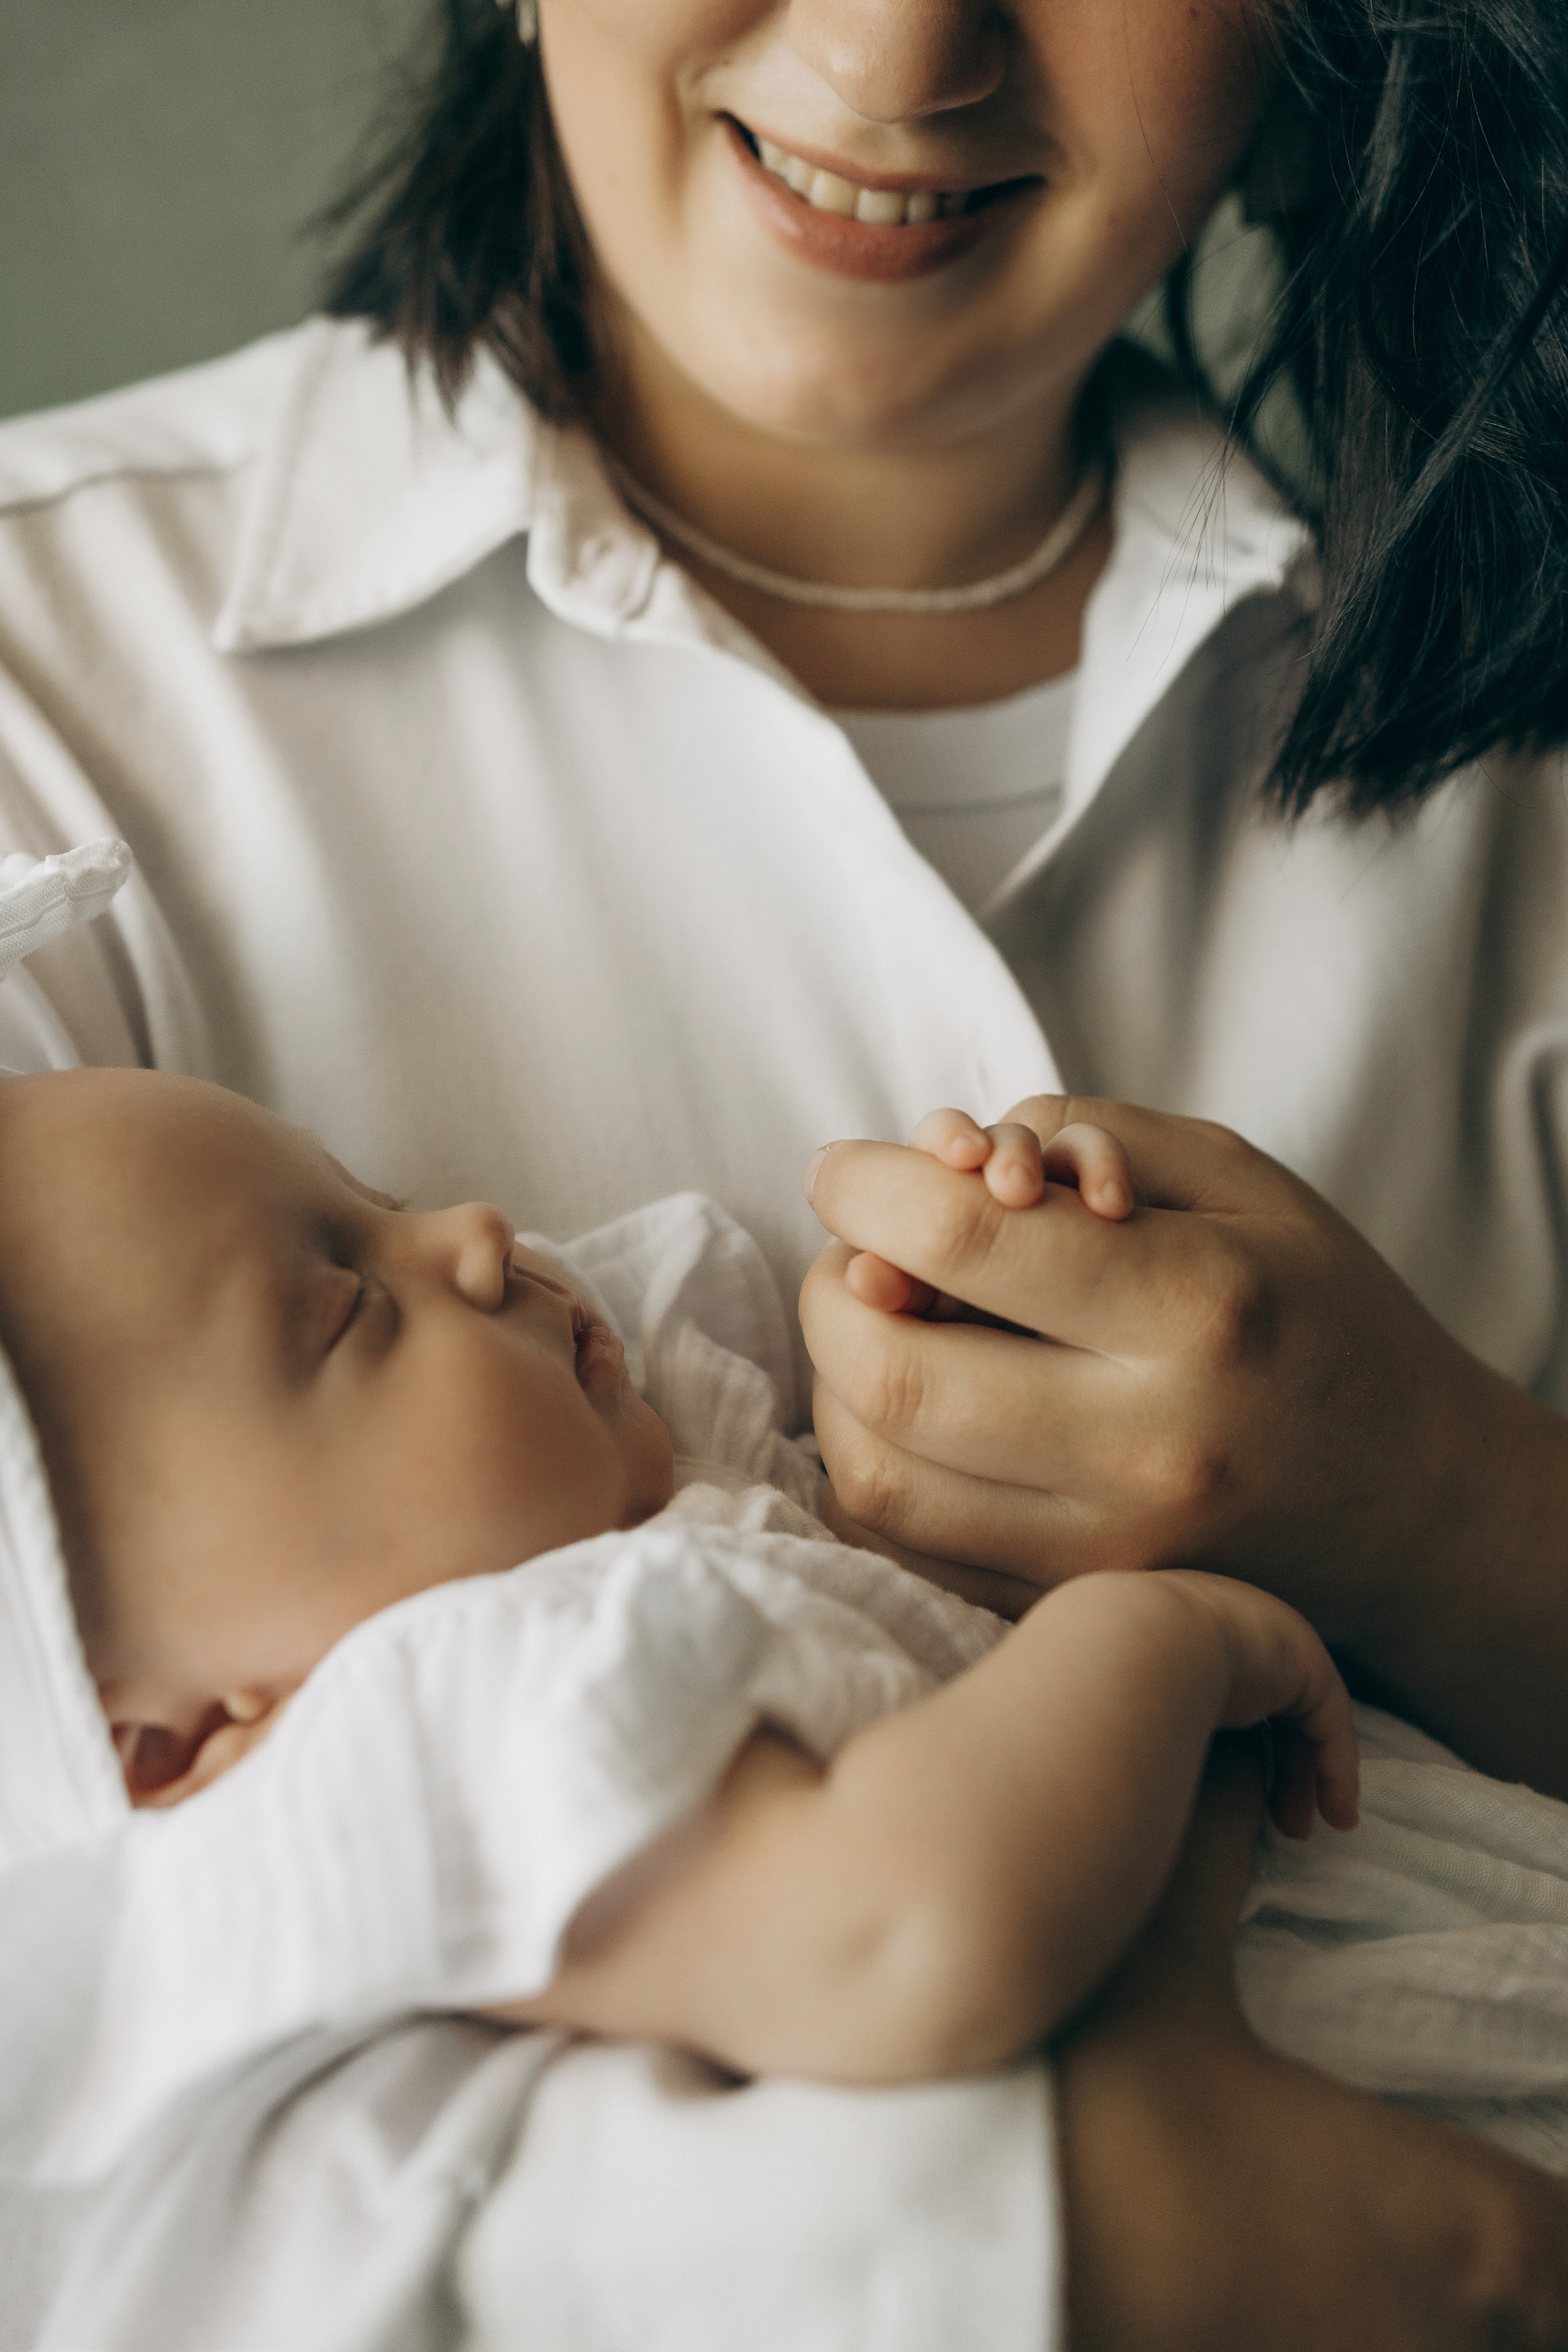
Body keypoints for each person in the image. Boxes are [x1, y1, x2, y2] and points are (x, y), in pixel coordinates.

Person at [1, 0, 1567, 2340]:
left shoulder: (1519, 794)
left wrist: (1454, 1510)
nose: (897, 38)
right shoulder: (42, 695)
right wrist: (1068, 2248)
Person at [0, 1058, 1359, 2071]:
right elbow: (900, 1935)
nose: (472, 1231)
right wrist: (1168, 1634)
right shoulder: (415, 1724)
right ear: (180, 1745)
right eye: (349, 1304)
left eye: (377, 1199)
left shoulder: (615, 1496)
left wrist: (966, 1312)